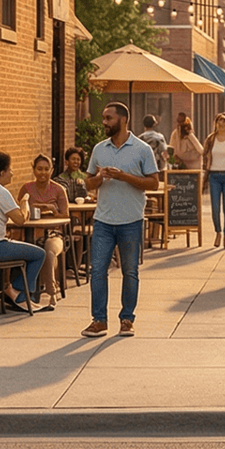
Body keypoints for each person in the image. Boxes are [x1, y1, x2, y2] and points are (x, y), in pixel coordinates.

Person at [83, 101, 159, 337]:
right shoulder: (99, 149)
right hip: (104, 220)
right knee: (97, 272)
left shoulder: (142, 149)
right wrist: (100, 177)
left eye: (108, 118)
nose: (104, 122)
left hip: (131, 221)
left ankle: (127, 319)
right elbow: (88, 183)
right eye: (104, 118)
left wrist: (125, 176)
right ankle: (99, 320)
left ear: (123, 120)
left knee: (130, 271)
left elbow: (153, 182)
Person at [0, 152, 51, 312]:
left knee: (23, 250)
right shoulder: (0, 191)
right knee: (39, 254)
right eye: (10, 170)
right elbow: (20, 219)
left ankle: (13, 291)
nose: (12, 173)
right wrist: (24, 202)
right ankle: (21, 296)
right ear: (2, 173)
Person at [18, 153, 70, 305]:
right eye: (39, 169)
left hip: (55, 233)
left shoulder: (59, 189)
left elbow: (66, 216)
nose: (43, 173)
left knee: (48, 251)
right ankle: (23, 292)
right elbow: (19, 211)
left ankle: (51, 292)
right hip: (30, 233)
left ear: (52, 171)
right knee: (26, 249)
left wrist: (53, 211)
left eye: (46, 169)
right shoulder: (26, 189)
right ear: (33, 170)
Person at [203, 112, 225, 247]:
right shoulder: (211, 139)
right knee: (215, 208)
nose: (221, 124)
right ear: (215, 124)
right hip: (214, 176)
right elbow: (204, 155)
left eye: (224, 121)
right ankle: (218, 232)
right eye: (219, 121)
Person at [139, 114, 169, 181]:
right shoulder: (160, 137)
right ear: (154, 124)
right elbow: (164, 151)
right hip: (157, 167)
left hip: (144, 168)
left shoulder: (140, 138)